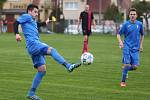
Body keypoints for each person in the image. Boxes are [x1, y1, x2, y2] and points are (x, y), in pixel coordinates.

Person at [14, 4, 81, 100]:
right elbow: (16, 23)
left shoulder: (31, 20)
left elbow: (36, 25)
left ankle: (31, 93)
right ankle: (68, 66)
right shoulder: (26, 16)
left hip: (33, 46)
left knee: (42, 70)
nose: (37, 14)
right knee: (51, 50)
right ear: (29, 11)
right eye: (35, 12)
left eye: (37, 12)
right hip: (34, 44)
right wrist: (16, 34)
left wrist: (45, 23)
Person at [117, 8, 144, 87]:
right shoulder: (126, 24)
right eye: (131, 14)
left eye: (134, 14)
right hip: (127, 47)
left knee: (135, 67)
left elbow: (142, 34)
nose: (132, 15)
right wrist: (121, 42)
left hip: (136, 49)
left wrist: (141, 45)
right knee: (127, 65)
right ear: (129, 16)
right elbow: (118, 34)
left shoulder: (139, 24)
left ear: (136, 16)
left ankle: (125, 69)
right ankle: (123, 82)